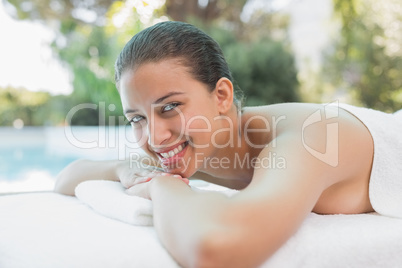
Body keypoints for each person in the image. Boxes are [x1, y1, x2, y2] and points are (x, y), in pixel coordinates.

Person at [54, 21, 402, 267]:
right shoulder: (199, 144)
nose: (155, 137)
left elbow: (216, 248)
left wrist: (162, 185)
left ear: (221, 95)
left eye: (171, 106)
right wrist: (123, 168)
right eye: (137, 118)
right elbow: (69, 176)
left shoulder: (310, 139)